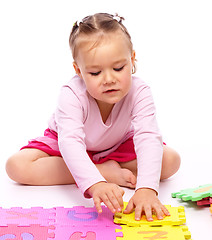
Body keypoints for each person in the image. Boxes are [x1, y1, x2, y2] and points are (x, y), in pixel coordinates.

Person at [6, 13, 181, 221]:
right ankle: (102, 171)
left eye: (118, 68)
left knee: (170, 160)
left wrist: (146, 189)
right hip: (67, 144)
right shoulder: (71, 94)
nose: (109, 79)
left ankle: (101, 167)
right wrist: (96, 182)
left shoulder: (140, 91)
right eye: (95, 73)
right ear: (78, 70)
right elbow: (69, 142)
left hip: (116, 145)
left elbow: (147, 135)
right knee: (16, 166)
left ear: (132, 59)